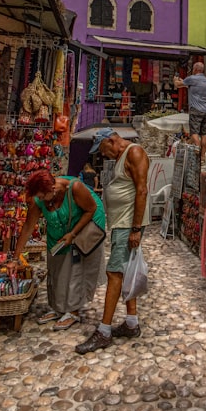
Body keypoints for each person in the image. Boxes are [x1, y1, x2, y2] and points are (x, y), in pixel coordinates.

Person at [75, 127, 149, 354]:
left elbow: (142, 190)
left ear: (111, 140)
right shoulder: (121, 157)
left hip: (127, 225)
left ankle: (104, 331)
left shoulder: (134, 152)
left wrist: (135, 229)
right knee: (125, 271)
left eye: (103, 150)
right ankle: (131, 323)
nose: (103, 155)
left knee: (114, 273)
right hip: (121, 223)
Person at [18, 168, 106, 331]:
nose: (40, 200)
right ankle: (59, 307)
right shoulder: (40, 199)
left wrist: (72, 234)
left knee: (76, 270)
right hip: (59, 230)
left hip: (84, 226)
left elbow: (91, 210)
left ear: (52, 189)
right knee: (56, 267)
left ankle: (73, 310)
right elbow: (28, 227)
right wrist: (15, 257)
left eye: (42, 196)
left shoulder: (75, 188)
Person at [174, 61, 206, 166]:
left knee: (194, 132)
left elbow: (178, 85)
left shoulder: (192, 78)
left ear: (195, 69)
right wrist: (184, 82)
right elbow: (190, 86)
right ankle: (203, 156)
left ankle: (197, 148)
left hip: (196, 109)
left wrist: (175, 79)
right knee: (204, 133)